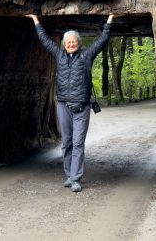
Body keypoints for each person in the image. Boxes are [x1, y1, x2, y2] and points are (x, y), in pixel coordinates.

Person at [26, 14, 114, 192]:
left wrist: (110, 19)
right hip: (63, 105)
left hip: (82, 105)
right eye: (68, 42)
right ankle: (68, 175)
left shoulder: (87, 55)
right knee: (66, 142)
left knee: (78, 142)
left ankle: (75, 178)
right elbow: (44, 40)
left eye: (74, 42)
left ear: (78, 43)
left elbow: (103, 40)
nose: (71, 44)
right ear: (64, 44)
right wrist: (36, 20)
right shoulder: (59, 55)